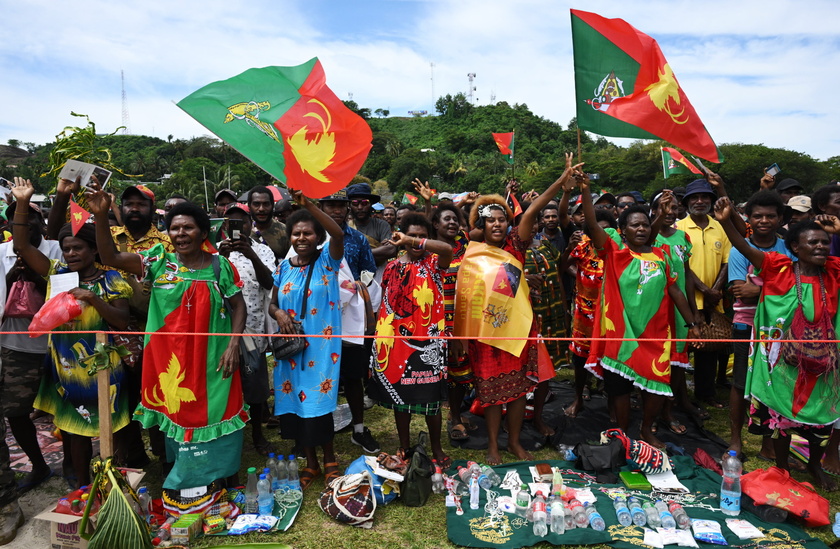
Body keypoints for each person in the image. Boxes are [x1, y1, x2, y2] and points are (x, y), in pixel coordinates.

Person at [88, 192, 248, 492]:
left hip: (214, 356)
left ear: (202, 232)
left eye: (187, 228)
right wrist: (99, 215)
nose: (180, 234)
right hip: (167, 359)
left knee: (218, 411)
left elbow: (239, 306)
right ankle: (183, 478)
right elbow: (109, 257)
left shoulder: (220, 266)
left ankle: (224, 476)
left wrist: (233, 345)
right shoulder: (159, 261)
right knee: (176, 412)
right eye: (174, 228)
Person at [456, 153, 580, 465]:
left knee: (517, 391)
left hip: (518, 330)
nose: (497, 224)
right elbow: (468, 299)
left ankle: (513, 442)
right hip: (486, 336)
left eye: (502, 219)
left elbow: (534, 210)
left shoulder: (515, 246)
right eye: (491, 220)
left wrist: (560, 183)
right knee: (492, 394)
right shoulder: (472, 255)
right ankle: (494, 445)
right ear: (480, 226)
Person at [10, 179, 132, 489]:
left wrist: (92, 298)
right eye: (66, 249)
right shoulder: (56, 274)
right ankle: (82, 487)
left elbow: (122, 321)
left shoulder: (111, 279)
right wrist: (22, 203)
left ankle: (116, 487)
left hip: (103, 369)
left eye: (78, 248)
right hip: (66, 369)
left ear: (93, 250)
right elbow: (22, 246)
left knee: (113, 427)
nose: (71, 253)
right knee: (73, 430)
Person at [714, 196, 840, 490]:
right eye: (814, 243)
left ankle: (813, 466)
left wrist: (838, 231)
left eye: (824, 243)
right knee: (781, 418)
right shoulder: (779, 268)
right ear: (796, 248)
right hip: (782, 359)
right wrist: (725, 222)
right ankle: (782, 467)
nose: (821, 247)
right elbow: (745, 247)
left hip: (823, 358)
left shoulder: (833, 273)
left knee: (821, 421)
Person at [578, 174, 700, 449]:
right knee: (619, 388)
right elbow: (591, 222)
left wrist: (693, 324)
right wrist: (585, 191)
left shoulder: (661, 256)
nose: (642, 229)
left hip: (655, 334)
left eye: (646, 225)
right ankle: (622, 432)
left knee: (656, 384)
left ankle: (646, 429)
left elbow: (676, 292)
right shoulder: (614, 252)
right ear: (623, 230)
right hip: (621, 335)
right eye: (635, 225)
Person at [270, 191, 344, 490]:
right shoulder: (284, 267)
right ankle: (310, 463)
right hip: (291, 351)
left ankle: (330, 461)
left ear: (317, 237)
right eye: (296, 233)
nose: (301, 238)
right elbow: (272, 303)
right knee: (295, 406)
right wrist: (278, 315)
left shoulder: (329, 260)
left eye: (308, 233)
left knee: (317, 404)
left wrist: (309, 204)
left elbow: (338, 233)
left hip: (322, 350)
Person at [370, 213, 452, 466]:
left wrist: (414, 241)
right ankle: (404, 446)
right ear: (400, 237)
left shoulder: (435, 263)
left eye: (422, 236)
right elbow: (385, 306)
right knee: (400, 400)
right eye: (411, 236)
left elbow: (447, 248)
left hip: (430, 343)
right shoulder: (393, 267)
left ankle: (437, 448)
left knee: (432, 401)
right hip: (397, 343)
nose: (417, 241)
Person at [723, 190, 799, 466]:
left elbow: (795, 290)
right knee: (740, 382)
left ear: (780, 219)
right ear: (749, 218)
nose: (764, 220)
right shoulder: (738, 249)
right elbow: (739, 291)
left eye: (770, 215)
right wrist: (773, 289)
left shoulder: (790, 249)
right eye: (758, 216)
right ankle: (736, 439)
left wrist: (760, 288)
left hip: (780, 329)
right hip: (746, 324)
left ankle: (769, 443)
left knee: (775, 383)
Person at [0, 198, 60, 492]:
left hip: (58, 344)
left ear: (40, 223)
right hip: (17, 344)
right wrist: (12, 282)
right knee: (15, 409)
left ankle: (77, 465)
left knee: (71, 407)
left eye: (28, 219)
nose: (21, 224)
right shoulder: (1, 254)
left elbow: (65, 292)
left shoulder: (58, 249)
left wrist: (37, 279)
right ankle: (39, 464)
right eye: (15, 220)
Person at [318, 188, 379, 453]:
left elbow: (368, 269)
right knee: (321, 373)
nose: (337, 210)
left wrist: (356, 287)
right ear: (321, 207)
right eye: (331, 205)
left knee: (354, 376)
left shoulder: (357, 239)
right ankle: (318, 428)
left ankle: (358, 428)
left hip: (350, 315)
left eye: (341, 205)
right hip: (319, 317)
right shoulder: (312, 236)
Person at [217, 202, 276, 456]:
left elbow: (269, 282)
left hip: (252, 328)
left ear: (251, 224)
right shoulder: (211, 253)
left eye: (242, 222)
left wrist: (250, 254)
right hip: (220, 329)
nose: (236, 228)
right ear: (224, 226)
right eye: (231, 223)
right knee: (225, 384)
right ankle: (228, 435)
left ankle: (258, 435)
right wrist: (223, 257)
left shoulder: (262, 250)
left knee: (255, 385)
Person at [676, 179, 731, 410]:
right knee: (681, 347)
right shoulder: (678, 228)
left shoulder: (720, 226)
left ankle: (705, 393)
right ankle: (676, 395)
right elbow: (682, 264)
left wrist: (715, 290)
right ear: (687, 202)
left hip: (713, 301)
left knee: (708, 348)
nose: (700, 201)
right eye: (695, 198)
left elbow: (728, 261)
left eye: (704, 197)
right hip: (684, 299)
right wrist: (704, 289)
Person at [560, 209, 614, 417]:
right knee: (580, 359)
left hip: (611, 316)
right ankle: (578, 397)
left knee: (610, 358)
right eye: (596, 228)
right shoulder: (583, 247)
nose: (602, 232)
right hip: (584, 314)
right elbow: (564, 266)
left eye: (606, 228)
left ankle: (611, 401)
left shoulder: (617, 250)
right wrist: (577, 268)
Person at [431, 204, 472, 442]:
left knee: (459, 370)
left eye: (456, 219)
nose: (453, 223)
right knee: (433, 372)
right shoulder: (425, 247)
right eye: (447, 219)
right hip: (432, 321)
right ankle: (434, 418)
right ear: (435, 224)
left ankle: (456, 417)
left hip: (460, 319)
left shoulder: (465, 245)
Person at [248, 185, 289, 262]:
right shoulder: (245, 232)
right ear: (249, 206)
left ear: (272, 205)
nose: (261, 209)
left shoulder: (285, 232)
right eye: (256, 204)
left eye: (266, 204)